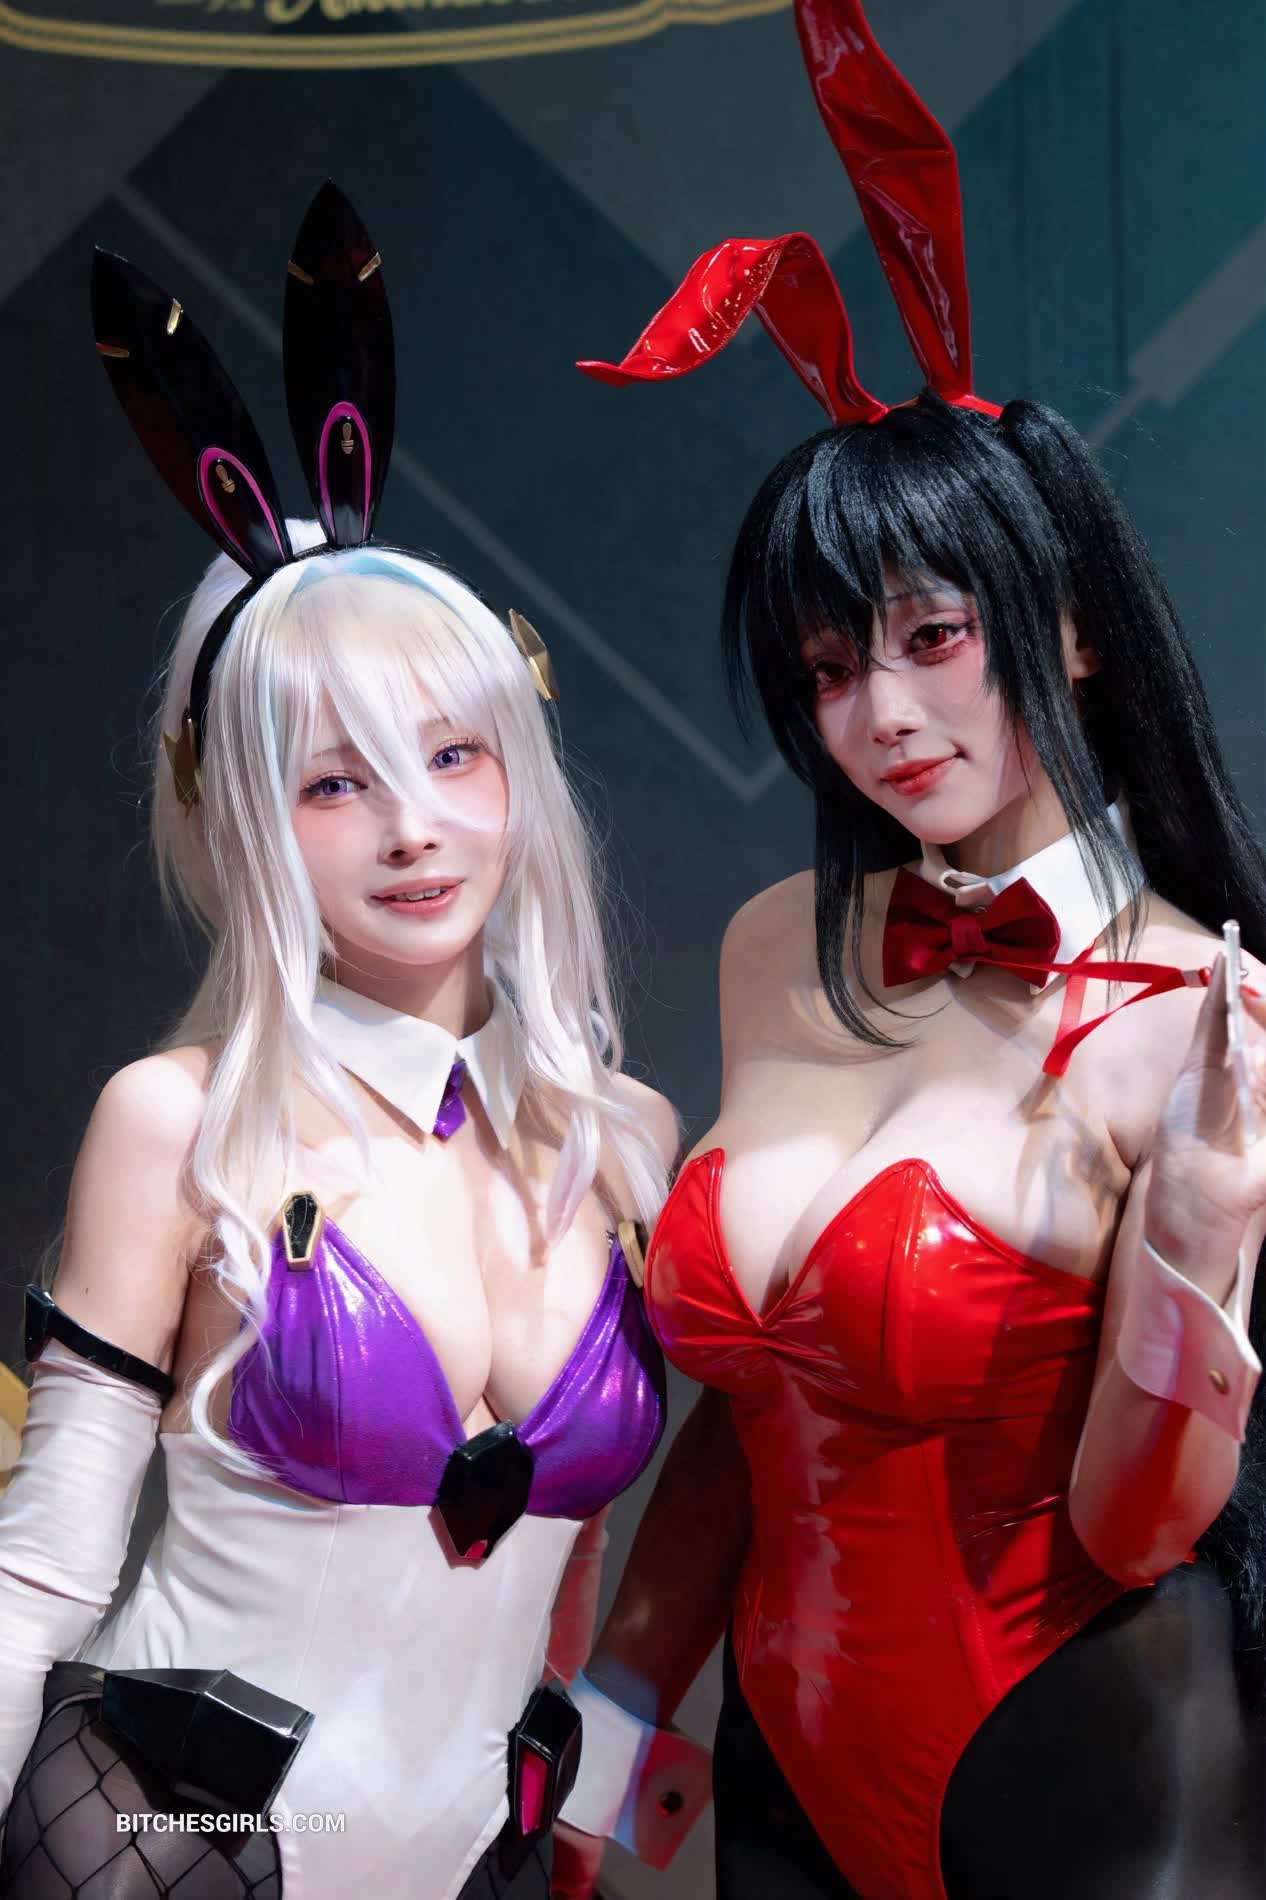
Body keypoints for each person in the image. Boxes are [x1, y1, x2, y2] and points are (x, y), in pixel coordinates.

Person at [556, 3, 1266, 1896]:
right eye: (825, 665)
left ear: (1070, 628)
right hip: (776, 1765)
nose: (877, 714)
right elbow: (759, 1397)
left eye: (931, 637)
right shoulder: (777, 946)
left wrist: (1198, 1228)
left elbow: (1133, 1532)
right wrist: (620, 1701)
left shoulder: (1202, 1018)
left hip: (1088, 1761)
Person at [0, 184, 678, 1900]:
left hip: (476, 1852)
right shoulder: (176, 1119)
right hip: (167, 1843)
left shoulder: (623, 1134)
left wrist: (591, 1792)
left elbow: (572, 1568)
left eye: (452, 756)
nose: (412, 827)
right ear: (242, 820)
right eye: (332, 781)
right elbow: (48, 1565)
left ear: (518, 768)